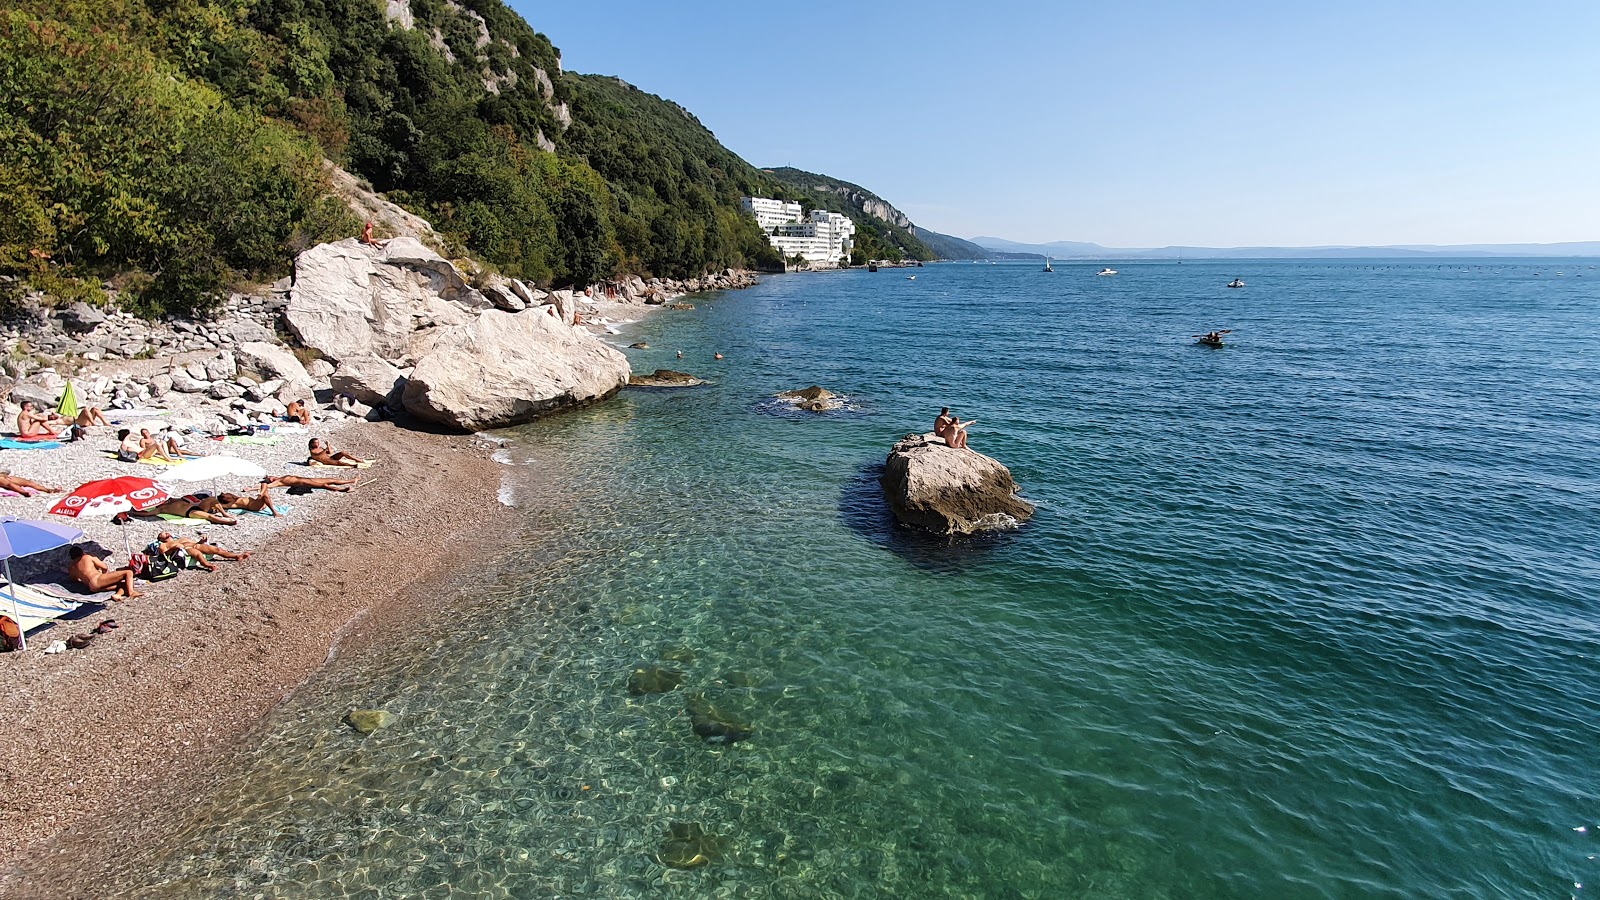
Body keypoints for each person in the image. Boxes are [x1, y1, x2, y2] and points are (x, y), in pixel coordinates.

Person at [68, 546, 142, 600]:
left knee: (127, 584)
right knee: (128, 573)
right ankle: (131, 592)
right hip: (97, 579)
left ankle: (117, 595)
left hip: (92, 588)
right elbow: (104, 567)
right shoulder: (87, 557)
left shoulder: (72, 567)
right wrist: (101, 573)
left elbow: (74, 579)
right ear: (82, 553)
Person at [153, 532, 249, 571]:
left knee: (217, 550)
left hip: (196, 545)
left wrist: (202, 541)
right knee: (197, 554)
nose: (166, 533)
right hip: (185, 550)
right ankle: (207, 565)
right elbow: (164, 554)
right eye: (163, 534)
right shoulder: (163, 545)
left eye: (166, 532)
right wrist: (173, 548)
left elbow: (196, 542)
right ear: (160, 539)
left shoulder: (181, 538)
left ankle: (236, 556)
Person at [133, 496, 238, 526]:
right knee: (210, 517)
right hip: (190, 512)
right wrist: (132, 513)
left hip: (196, 506)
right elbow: (146, 514)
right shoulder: (161, 509)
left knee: (212, 499)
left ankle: (224, 513)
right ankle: (227, 522)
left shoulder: (170, 500)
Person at [263, 474, 358, 493]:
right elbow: (266, 487)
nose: (272, 478)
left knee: (330, 479)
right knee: (324, 486)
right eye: (270, 479)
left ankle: (352, 481)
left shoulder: (281, 477)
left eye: (270, 476)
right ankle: (342, 490)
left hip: (307, 479)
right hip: (303, 483)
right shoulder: (277, 482)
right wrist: (250, 489)